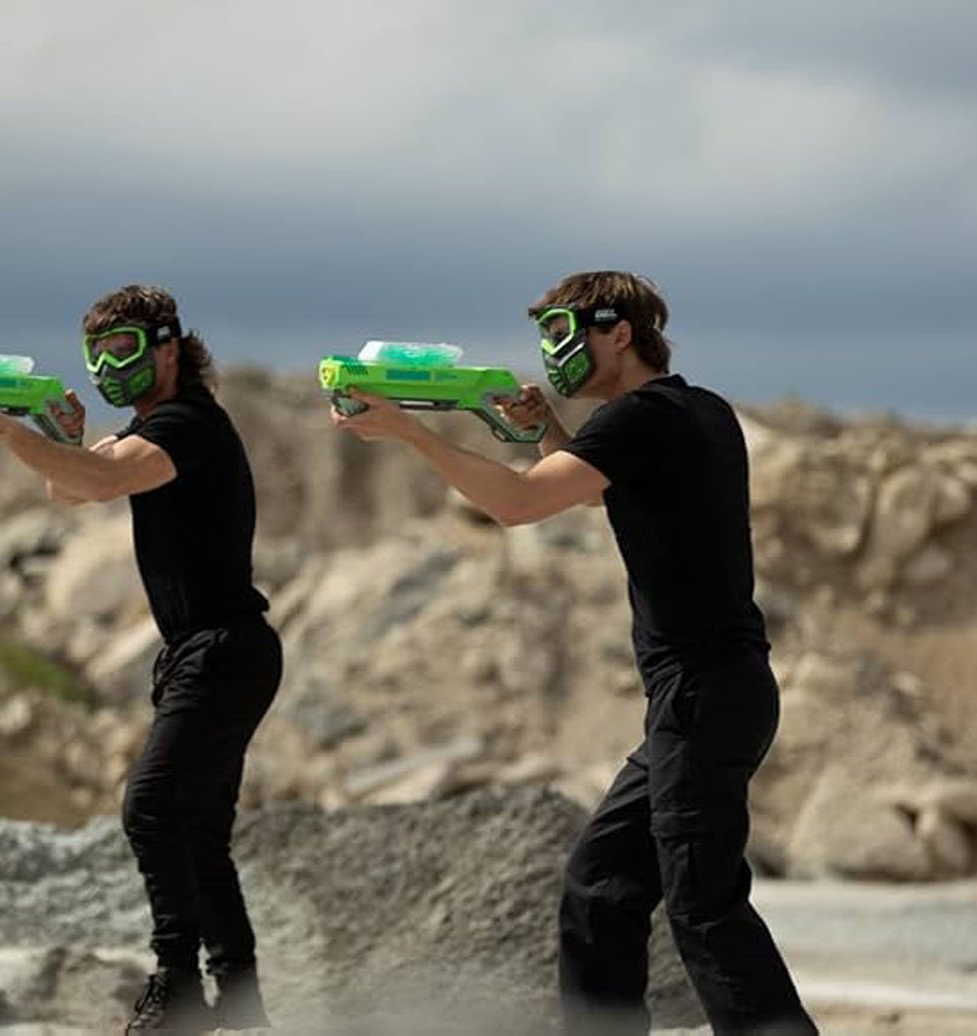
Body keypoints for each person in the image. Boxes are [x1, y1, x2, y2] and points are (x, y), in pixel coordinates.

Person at [330, 271, 816, 1035]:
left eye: (563, 334)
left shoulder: (639, 422)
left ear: (618, 333)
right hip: (712, 693)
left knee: (703, 908)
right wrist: (543, 434)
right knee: (601, 888)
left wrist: (412, 432)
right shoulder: (697, 410)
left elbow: (515, 504)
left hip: (699, 695)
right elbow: (599, 488)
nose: (552, 354)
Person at [0, 284, 280, 1034]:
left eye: (123, 350)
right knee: (195, 834)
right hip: (210, 652)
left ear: (168, 348)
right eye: (97, 356)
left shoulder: (187, 423)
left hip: (223, 649)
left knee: (151, 808)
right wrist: (53, 435)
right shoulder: (156, 429)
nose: (108, 368)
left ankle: (179, 987)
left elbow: (98, 480)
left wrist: (9, 431)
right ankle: (242, 1002)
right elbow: (73, 489)